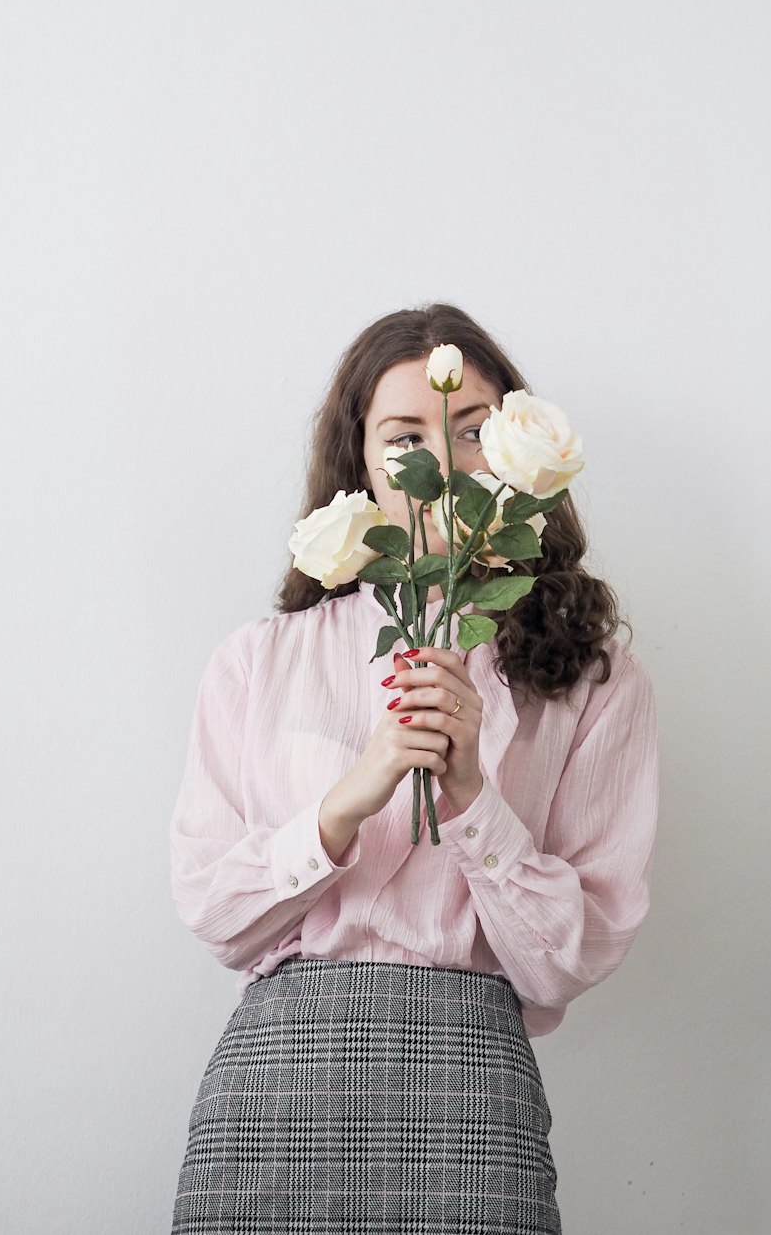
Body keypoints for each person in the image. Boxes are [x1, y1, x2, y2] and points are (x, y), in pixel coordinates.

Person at [168, 301, 660, 1235]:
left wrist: (474, 799)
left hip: (475, 1086)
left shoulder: (592, 679)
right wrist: (351, 796)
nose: (441, 466)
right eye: (403, 437)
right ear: (357, 460)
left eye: (472, 430)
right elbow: (215, 913)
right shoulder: (258, 662)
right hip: (276, 1088)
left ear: (516, 455)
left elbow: (571, 958)